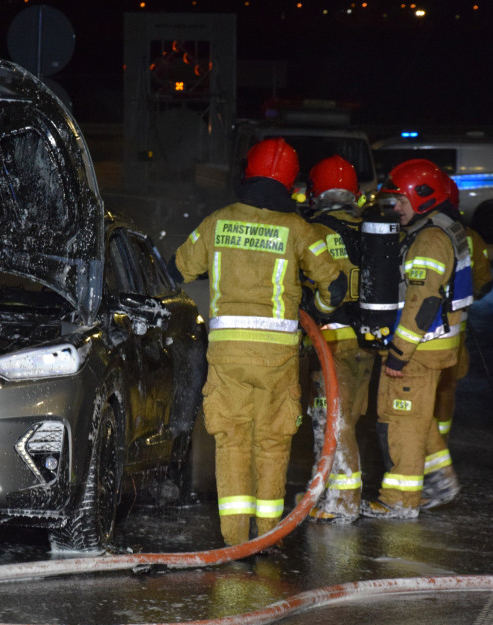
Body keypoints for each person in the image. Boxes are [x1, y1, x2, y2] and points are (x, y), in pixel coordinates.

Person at [173, 138, 347, 545]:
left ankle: (235, 541)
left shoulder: (218, 222)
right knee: (271, 441)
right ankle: (268, 536)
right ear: (290, 182)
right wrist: (315, 307)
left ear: (247, 172)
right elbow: (334, 288)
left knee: (231, 440)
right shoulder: (299, 230)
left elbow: (176, 268)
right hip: (277, 358)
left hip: (227, 355)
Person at [362, 159, 473, 519]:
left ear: (423, 198)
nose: (396, 209)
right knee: (420, 419)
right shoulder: (443, 228)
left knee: (402, 422)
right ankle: (441, 481)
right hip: (437, 347)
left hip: (419, 350)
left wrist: (399, 352)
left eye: (402, 202)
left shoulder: (429, 239)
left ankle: (399, 499)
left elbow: (424, 300)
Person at [302, 155, 376, 523]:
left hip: (331, 341)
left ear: (317, 193)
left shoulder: (314, 232)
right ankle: (333, 491)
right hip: (368, 342)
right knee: (349, 418)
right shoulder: (371, 230)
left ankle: (342, 502)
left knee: (332, 419)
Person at [423, 176, 493, 508]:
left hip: (423, 338)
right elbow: (484, 283)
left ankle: (431, 459)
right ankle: (440, 447)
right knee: (445, 392)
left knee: (419, 401)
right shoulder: (470, 237)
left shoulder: (426, 237)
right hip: (456, 336)